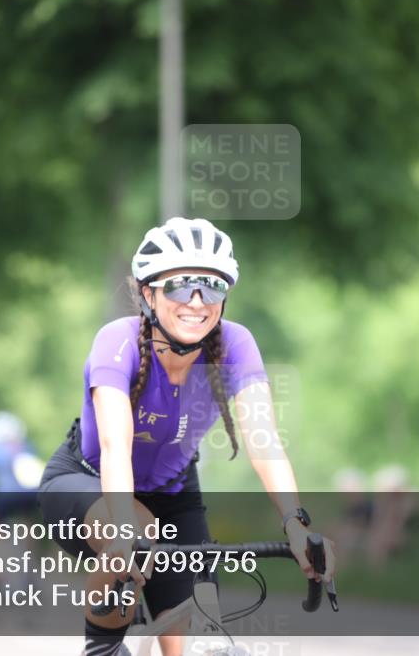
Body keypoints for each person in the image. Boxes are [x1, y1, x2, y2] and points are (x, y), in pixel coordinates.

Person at [38, 217, 336, 656]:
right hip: (88, 482)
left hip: (175, 494)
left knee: (200, 646)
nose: (197, 301)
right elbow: (115, 448)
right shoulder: (116, 342)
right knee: (138, 528)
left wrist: (296, 524)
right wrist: (123, 529)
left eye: (212, 287)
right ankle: (101, 650)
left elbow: (265, 440)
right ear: (148, 293)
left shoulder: (236, 345)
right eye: (179, 285)